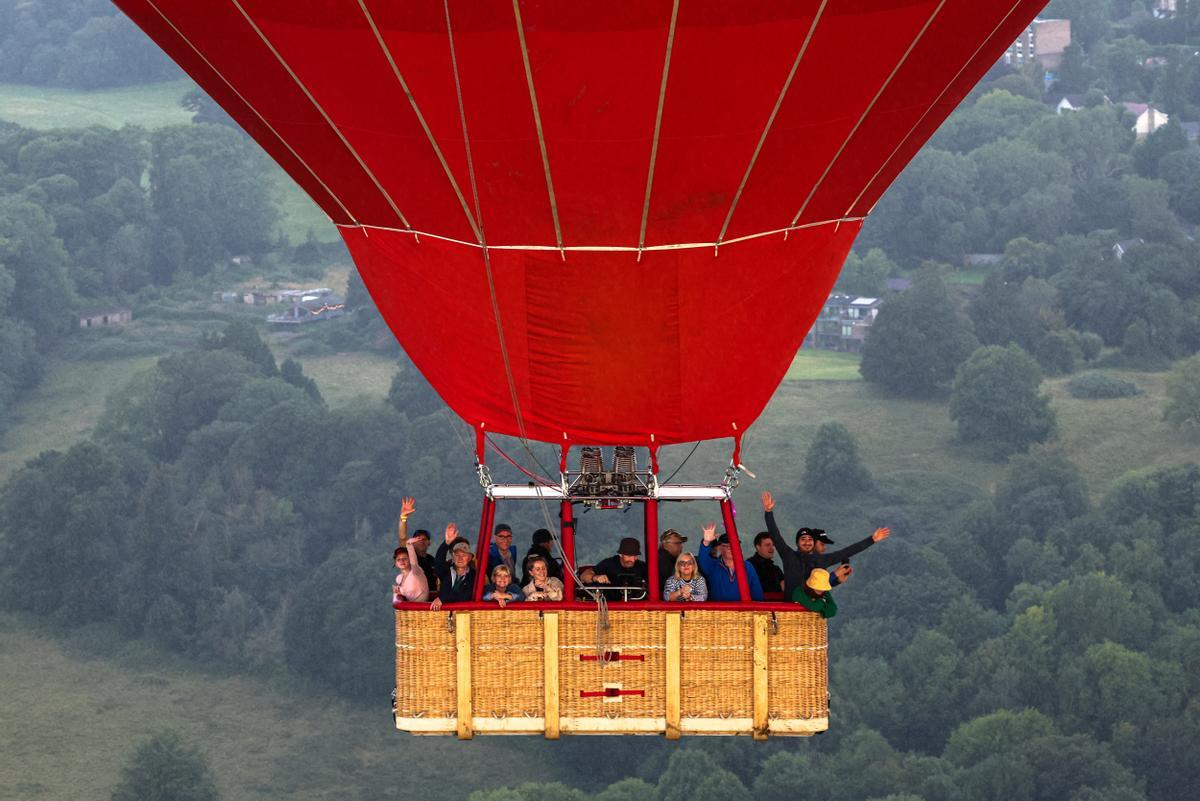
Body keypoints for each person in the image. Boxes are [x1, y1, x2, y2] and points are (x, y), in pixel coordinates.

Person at [761, 491, 889, 601]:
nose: (807, 542)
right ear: (797, 543)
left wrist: (872, 539)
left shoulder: (822, 559)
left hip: (812, 611)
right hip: (791, 610)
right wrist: (768, 512)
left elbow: (847, 552)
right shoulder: (788, 556)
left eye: (810, 539)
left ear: (814, 543)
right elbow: (775, 535)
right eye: (803, 539)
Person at [697, 523, 764, 601]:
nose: (730, 548)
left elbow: (757, 593)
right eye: (726, 546)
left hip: (743, 612)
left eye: (733, 545)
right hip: (718, 612)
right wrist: (706, 542)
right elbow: (703, 559)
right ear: (720, 548)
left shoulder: (748, 567)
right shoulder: (713, 565)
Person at [396, 496, 439, 592]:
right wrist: (403, 518)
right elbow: (403, 538)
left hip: (432, 600)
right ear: (412, 542)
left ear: (429, 543)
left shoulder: (431, 560)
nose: (421, 541)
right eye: (417, 539)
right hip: (416, 599)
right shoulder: (410, 556)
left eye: (424, 539)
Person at [431, 523, 476, 610]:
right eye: (457, 555)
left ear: (470, 558)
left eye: (464, 555)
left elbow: (464, 596)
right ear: (452, 556)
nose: (460, 558)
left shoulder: (473, 575)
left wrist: (442, 598)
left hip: (464, 617)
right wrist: (446, 543)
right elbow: (438, 563)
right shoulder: (447, 570)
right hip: (443, 615)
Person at [392, 538, 430, 603]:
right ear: (396, 564)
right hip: (410, 610)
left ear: (409, 560)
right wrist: (399, 592)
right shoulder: (399, 578)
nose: (402, 561)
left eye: (405, 558)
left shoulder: (416, 572)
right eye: (398, 560)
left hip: (421, 608)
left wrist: (409, 545)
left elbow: (414, 563)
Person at [656, 529, 688, 594]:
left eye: (681, 543)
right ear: (665, 545)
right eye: (677, 543)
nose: (681, 546)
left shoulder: (673, 560)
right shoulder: (662, 561)